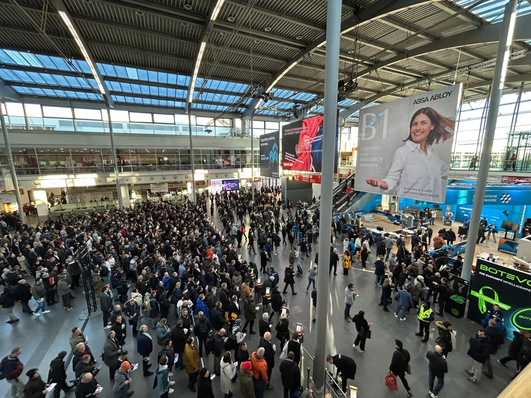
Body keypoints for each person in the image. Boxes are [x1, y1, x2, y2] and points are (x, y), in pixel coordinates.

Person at [365, 107, 454, 202]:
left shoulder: (433, 155)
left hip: (430, 206)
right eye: (414, 124)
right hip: (406, 206)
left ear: (432, 126)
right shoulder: (403, 153)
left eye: (424, 123)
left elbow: (447, 173)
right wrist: (381, 183)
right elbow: (392, 179)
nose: (418, 128)